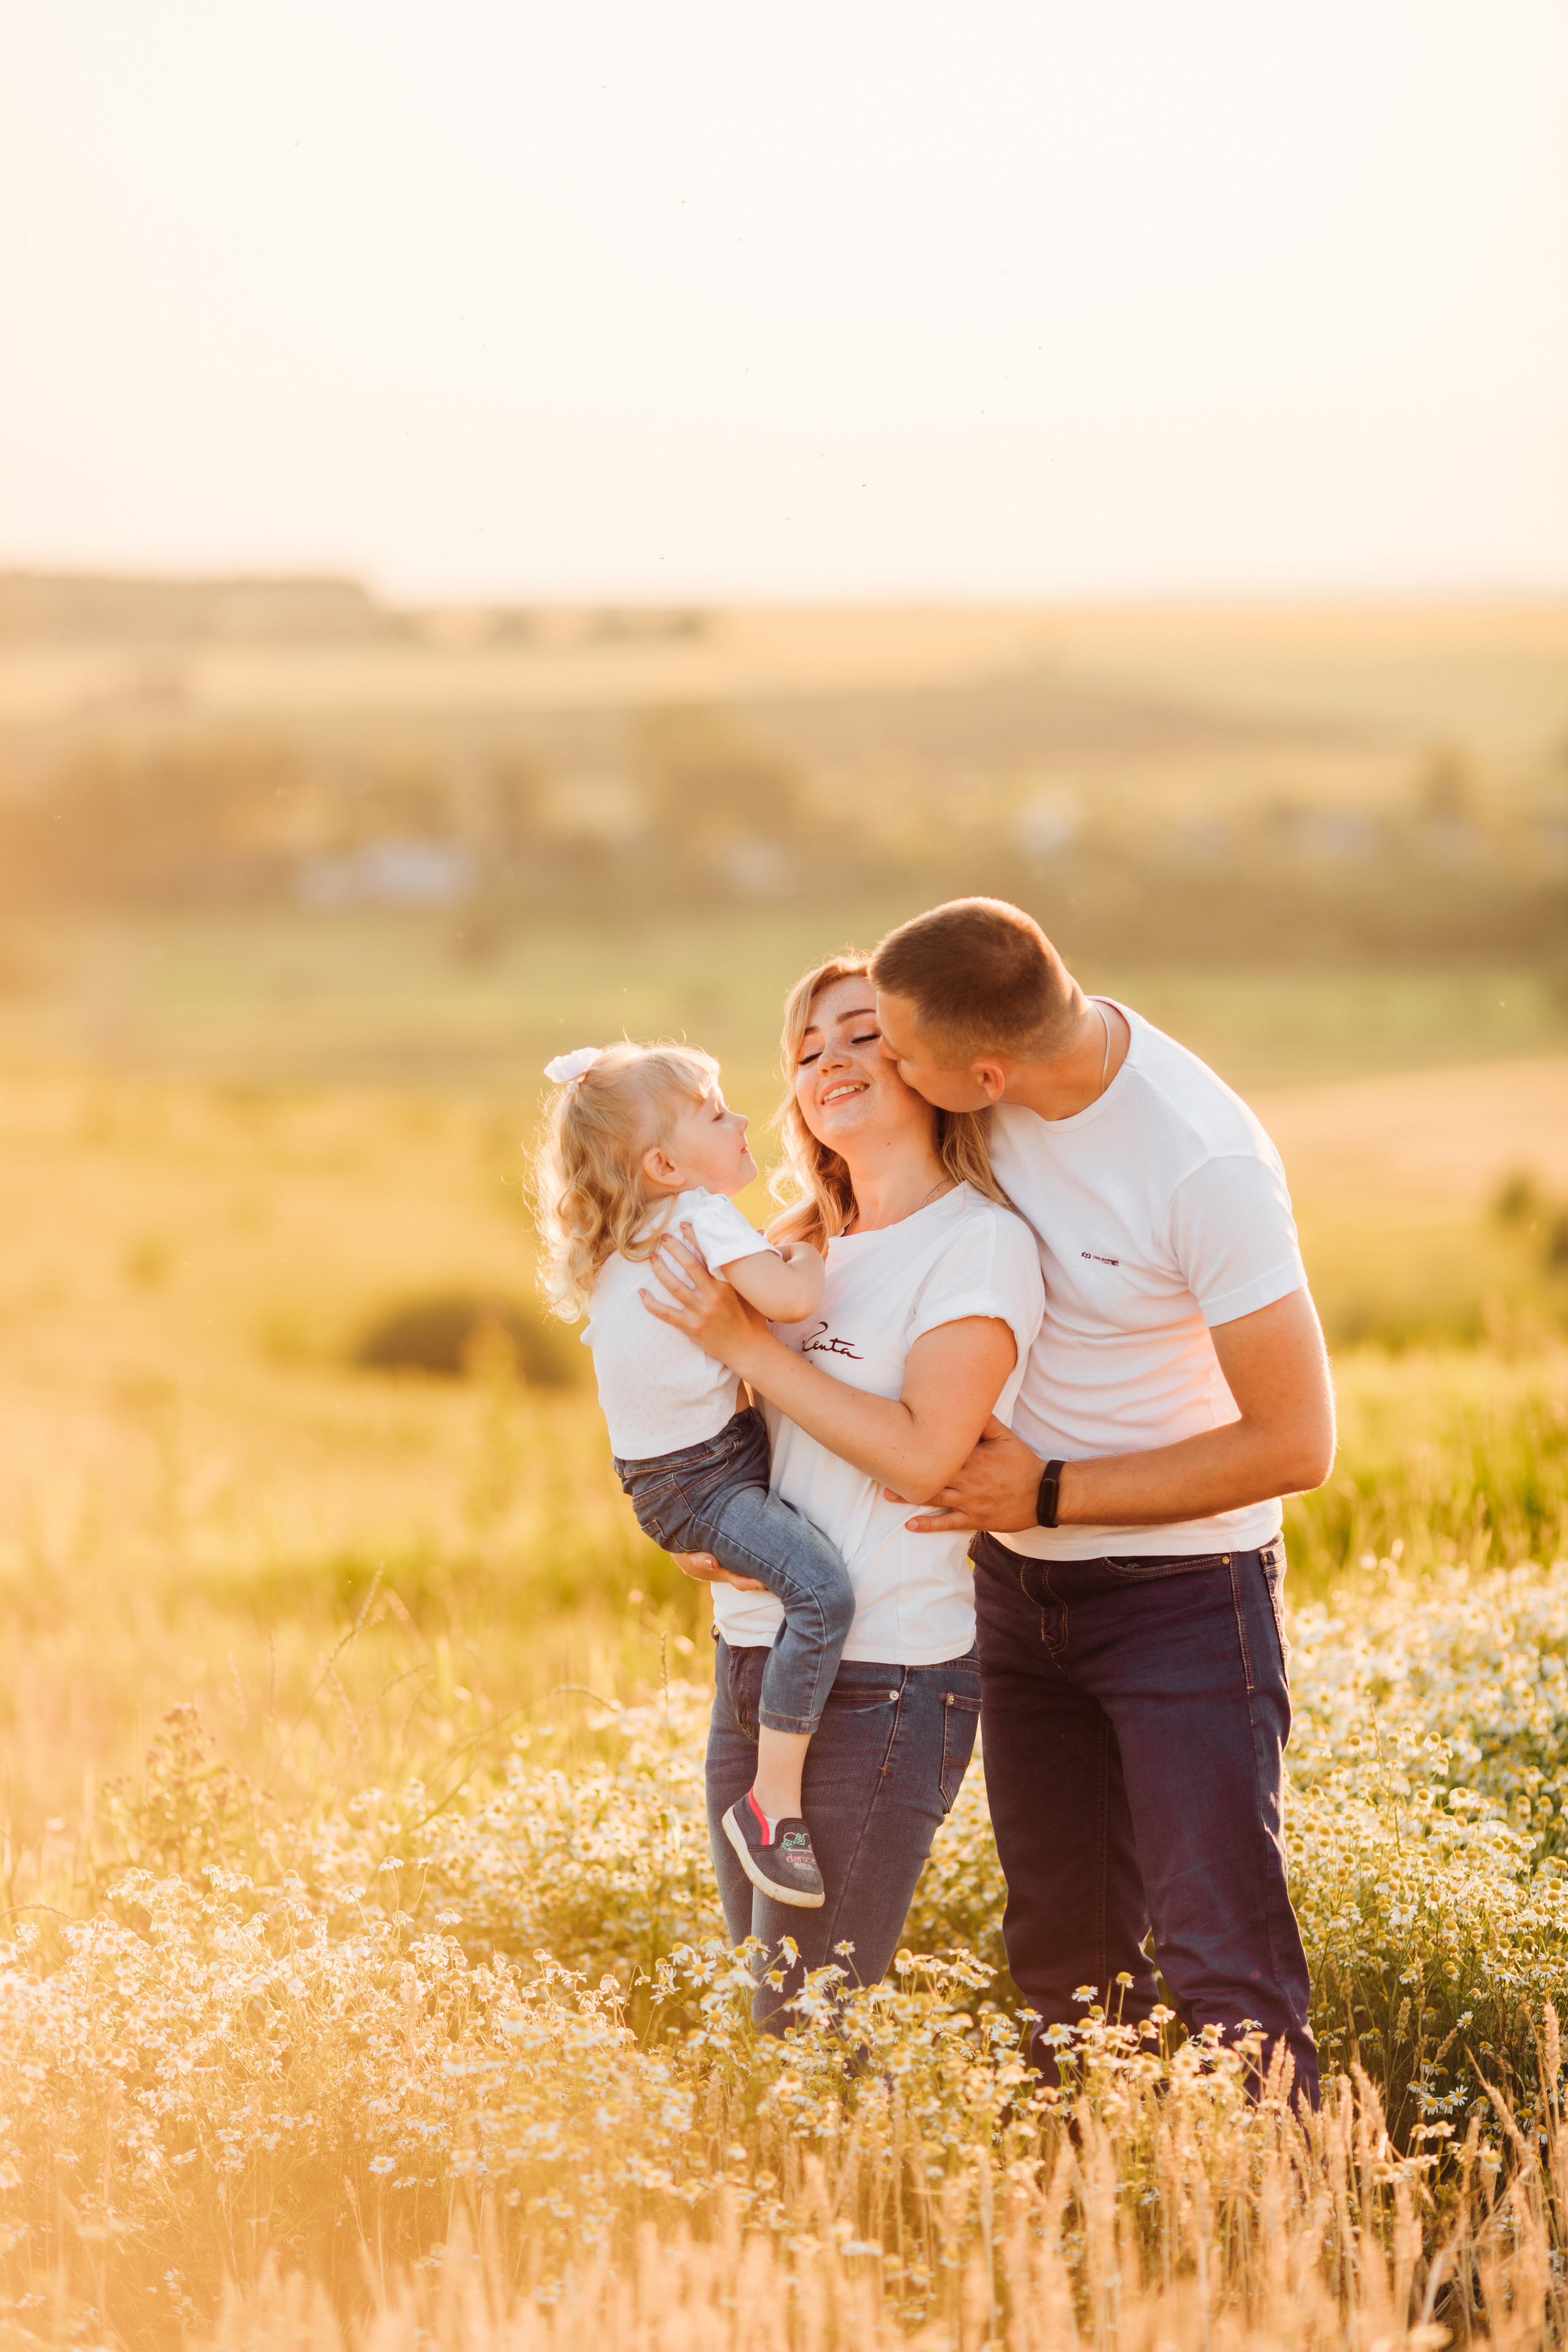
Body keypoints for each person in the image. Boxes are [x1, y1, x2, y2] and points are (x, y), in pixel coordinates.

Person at [869, 897, 1335, 2106]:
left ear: (984, 1069)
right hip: (1015, 1599)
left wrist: (1049, 1490)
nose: (885, 1068)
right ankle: (1088, 2247)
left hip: (1184, 1600)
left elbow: (1296, 1443)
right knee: (1062, 1964)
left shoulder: (1201, 1164)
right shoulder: (976, 1108)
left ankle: (1283, 2254)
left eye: (901, 1051)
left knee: (1218, 1963)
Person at [640, 955, 1044, 2028]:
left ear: (929, 1063)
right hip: (753, 1665)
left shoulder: (979, 1244)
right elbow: (700, 1414)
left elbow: (921, 1455)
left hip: (887, 1681)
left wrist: (748, 1347)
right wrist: (695, 1523)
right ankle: (804, 2199)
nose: (832, 1061)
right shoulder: (788, 1249)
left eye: (863, 1034)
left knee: (812, 2020)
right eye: (808, 1049)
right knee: (768, 2013)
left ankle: (866, 2202)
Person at [533, 1039, 854, 1908]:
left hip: (670, 1476)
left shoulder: (626, 1236)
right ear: (667, 1164)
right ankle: (772, 1803)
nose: (744, 1120)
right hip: (706, 1477)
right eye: (718, 1113)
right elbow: (792, 1302)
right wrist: (813, 1254)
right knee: (823, 1594)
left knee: (794, 1563)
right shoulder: (702, 1216)